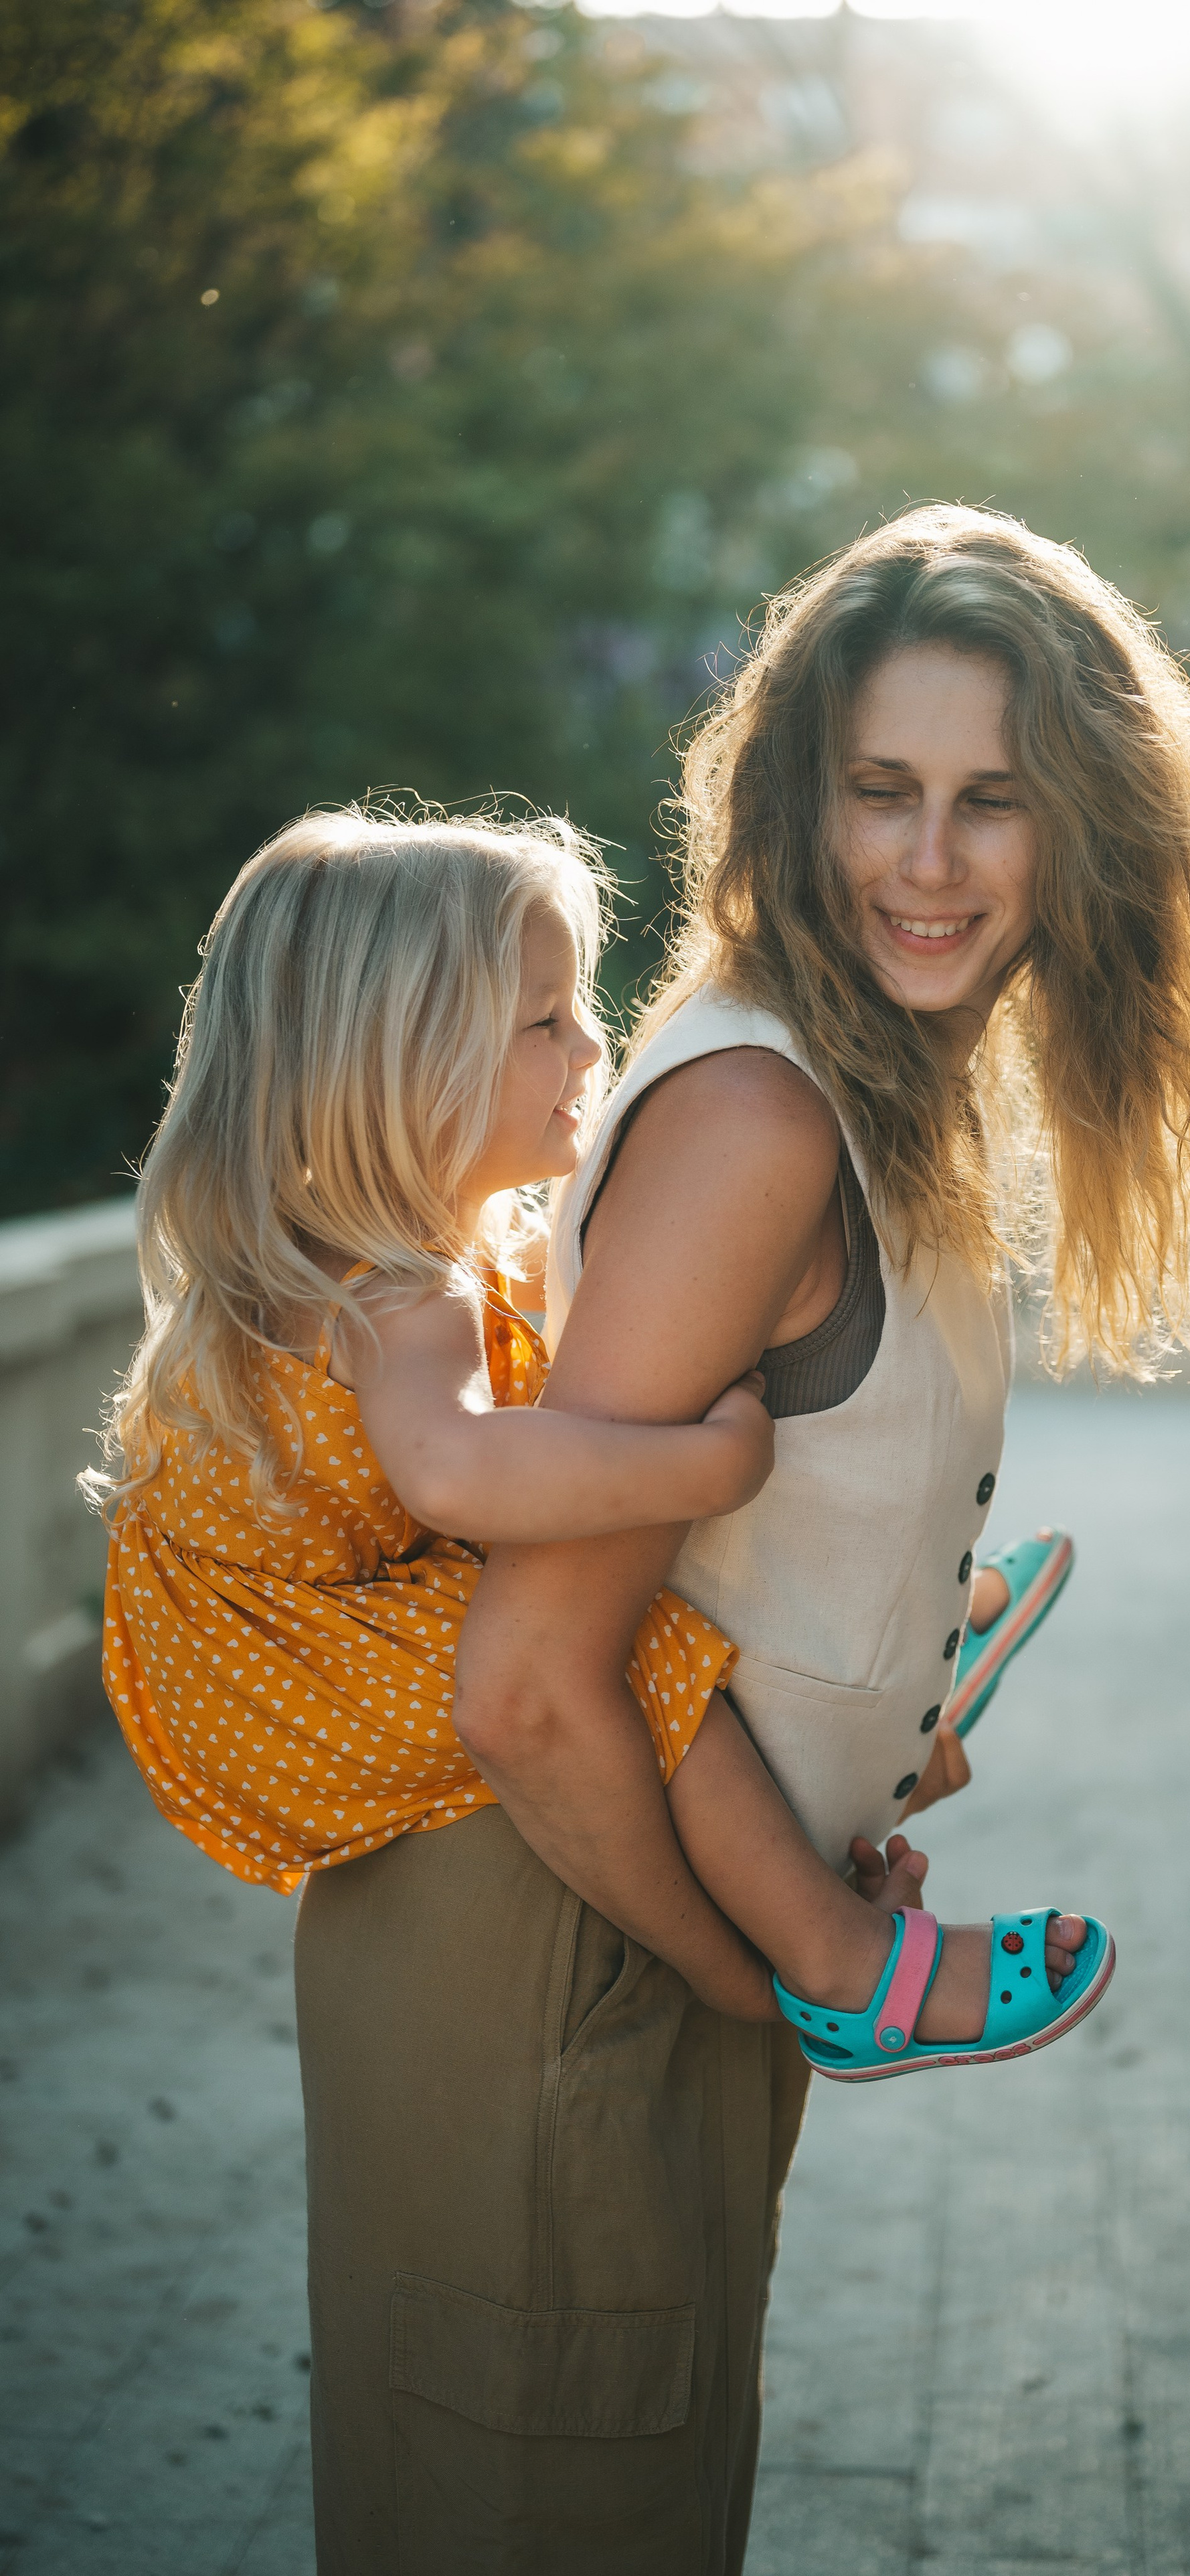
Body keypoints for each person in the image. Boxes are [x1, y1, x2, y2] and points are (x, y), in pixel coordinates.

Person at [84, 787, 1108, 2571]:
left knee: (630, 1641)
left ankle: (889, 1724)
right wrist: (704, 1468)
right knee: (623, 1648)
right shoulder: (393, 1294)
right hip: (289, 1658)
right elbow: (474, 1489)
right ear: (395, 1060)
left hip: (255, 1646)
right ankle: (840, 1954)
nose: (593, 1051)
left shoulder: (350, 1261)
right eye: (547, 1021)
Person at [432, 504, 1190, 2569]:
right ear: (793, 805)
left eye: (994, 801)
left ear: (1082, 824)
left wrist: (857, 1742)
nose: (931, 859)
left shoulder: (880, 1093)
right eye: (882, 793)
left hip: (650, 1921)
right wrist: (787, 1971)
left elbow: (718, 1591)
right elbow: (535, 1678)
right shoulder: (761, 1118)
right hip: (585, 1956)